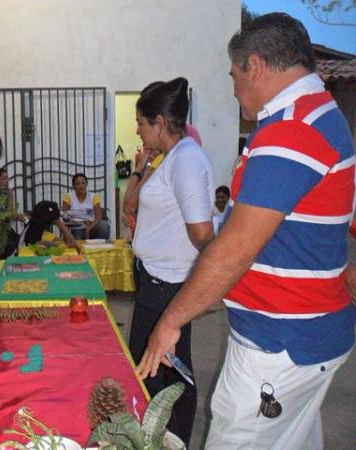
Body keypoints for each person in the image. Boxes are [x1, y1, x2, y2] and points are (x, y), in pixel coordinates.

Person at [136, 13, 356, 450]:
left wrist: (172, 320)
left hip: (279, 345)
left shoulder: (292, 130)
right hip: (305, 334)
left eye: (233, 73)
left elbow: (233, 249)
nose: (233, 85)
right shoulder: (322, 116)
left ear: (253, 65)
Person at [127, 77, 214, 446]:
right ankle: (158, 437)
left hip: (169, 286)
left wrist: (210, 284)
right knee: (155, 368)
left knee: (170, 371)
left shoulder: (187, 160)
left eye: (141, 123)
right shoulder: (168, 159)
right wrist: (142, 167)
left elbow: (202, 234)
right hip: (154, 281)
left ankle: (175, 439)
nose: (137, 130)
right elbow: (132, 206)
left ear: (159, 122)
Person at [0, 167, 26, 262]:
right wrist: (14, 215)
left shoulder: (9, 192)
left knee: (19, 242)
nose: (7, 181)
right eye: (3, 178)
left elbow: (10, 211)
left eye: (7, 178)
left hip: (5, 227)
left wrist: (15, 215)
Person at [62, 173, 110, 240]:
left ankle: (99, 247)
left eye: (83, 183)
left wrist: (89, 228)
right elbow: (65, 218)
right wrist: (81, 223)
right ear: (73, 186)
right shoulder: (68, 197)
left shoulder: (93, 197)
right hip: (76, 227)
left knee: (104, 225)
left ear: (86, 184)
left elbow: (99, 217)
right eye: (78, 184)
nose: (81, 186)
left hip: (91, 226)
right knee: (78, 236)